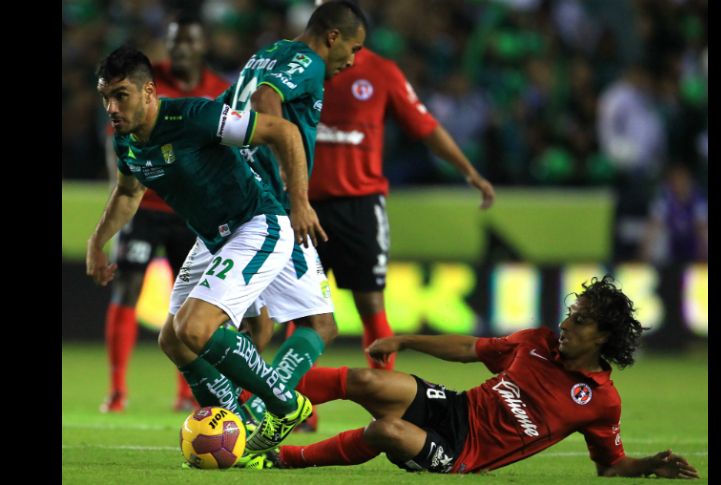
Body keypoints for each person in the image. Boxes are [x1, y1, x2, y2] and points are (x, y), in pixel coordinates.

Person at [87, 45, 318, 452]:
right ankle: (241, 437)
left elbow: (283, 131)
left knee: (195, 328)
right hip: (213, 239)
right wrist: (97, 241)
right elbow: (127, 192)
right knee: (173, 339)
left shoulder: (194, 117)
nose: (111, 106)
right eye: (106, 96)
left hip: (257, 224)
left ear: (149, 92)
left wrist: (299, 202)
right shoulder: (126, 143)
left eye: (120, 95)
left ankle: (286, 404)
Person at [245, 276, 700, 479]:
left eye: (579, 321)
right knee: (368, 381)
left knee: (384, 430)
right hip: (456, 407)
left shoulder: (601, 401)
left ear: (602, 337)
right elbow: (469, 349)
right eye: (570, 315)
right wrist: (404, 339)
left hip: (463, 454)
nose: (565, 324)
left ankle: (282, 460)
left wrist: (646, 466)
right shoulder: (535, 341)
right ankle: (251, 391)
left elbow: (609, 465)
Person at [291, 0, 496, 373]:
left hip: (360, 206)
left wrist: (469, 171)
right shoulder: (293, 68)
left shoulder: (380, 73)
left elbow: (425, 126)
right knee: (300, 309)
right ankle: (294, 404)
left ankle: (385, 399)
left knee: (370, 306)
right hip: (303, 205)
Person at [211, 0, 367, 439]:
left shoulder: (268, 52)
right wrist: (292, 187)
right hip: (272, 206)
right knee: (320, 325)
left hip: (236, 197)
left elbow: (227, 108)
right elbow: (265, 100)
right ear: (332, 36)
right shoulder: (310, 62)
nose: (352, 61)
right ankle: (259, 411)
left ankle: (235, 412)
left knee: (254, 326)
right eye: (353, 49)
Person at [100, 13, 232, 414]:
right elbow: (119, 149)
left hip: (191, 212)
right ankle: (118, 391)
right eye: (174, 42)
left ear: (201, 45)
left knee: (189, 302)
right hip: (145, 207)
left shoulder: (217, 91)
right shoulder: (138, 87)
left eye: (187, 42)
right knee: (126, 289)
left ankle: (185, 392)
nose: (179, 50)